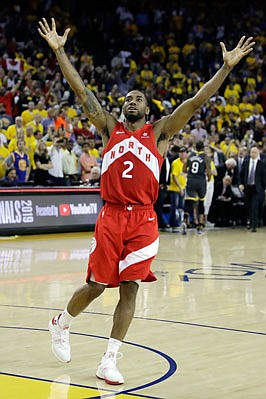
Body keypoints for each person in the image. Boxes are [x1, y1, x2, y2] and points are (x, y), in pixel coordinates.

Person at [38, 17, 254, 385]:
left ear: (148, 111)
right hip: (110, 216)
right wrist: (60, 52)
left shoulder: (161, 132)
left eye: (137, 98)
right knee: (96, 286)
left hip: (143, 221)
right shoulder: (109, 127)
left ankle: (109, 358)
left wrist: (225, 68)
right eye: (127, 98)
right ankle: (61, 323)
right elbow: (81, 91)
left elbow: (197, 100)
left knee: (130, 288)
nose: (130, 100)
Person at [182, 141, 212, 234]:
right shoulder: (206, 157)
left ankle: (184, 221)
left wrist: (190, 174)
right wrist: (209, 178)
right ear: (203, 148)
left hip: (191, 180)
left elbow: (184, 169)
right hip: (201, 181)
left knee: (189, 201)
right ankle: (200, 225)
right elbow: (208, 171)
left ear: (195, 147)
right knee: (201, 202)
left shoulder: (190, 155)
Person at [239, 146, 266, 232]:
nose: (253, 154)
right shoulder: (246, 162)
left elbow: (264, 177)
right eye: (251, 152)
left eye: (255, 152)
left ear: (258, 153)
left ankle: (254, 225)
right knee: (248, 206)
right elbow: (241, 175)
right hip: (248, 188)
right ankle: (250, 221)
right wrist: (240, 184)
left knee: (255, 206)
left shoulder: (261, 164)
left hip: (257, 188)